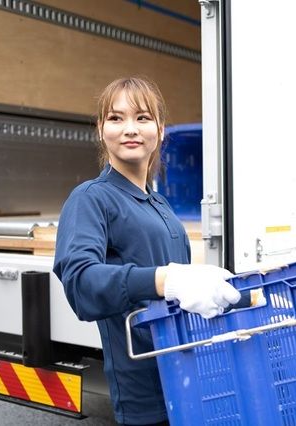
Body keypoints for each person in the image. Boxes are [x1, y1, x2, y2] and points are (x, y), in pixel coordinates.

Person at [53, 76, 241, 426]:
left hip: (186, 380)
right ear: (101, 130)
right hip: (143, 394)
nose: (130, 129)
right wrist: (166, 280)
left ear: (161, 130)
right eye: (116, 118)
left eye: (142, 117)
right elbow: (80, 282)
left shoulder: (161, 205)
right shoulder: (91, 198)